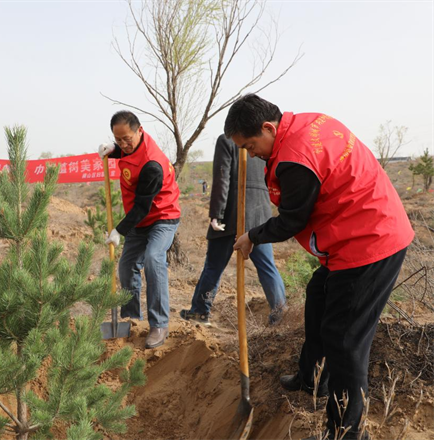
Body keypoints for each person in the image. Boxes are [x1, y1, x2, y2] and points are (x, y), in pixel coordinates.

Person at [226, 94, 413, 440]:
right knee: (318, 294)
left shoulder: (294, 158)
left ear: (268, 127)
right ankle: (312, 377)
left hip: (369, 241)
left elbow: (292, 221)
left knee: (344, 340)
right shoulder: (307, 124)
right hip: (355, 232)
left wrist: (252, 235)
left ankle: (346, 431)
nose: (251, 154)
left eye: (251, 146)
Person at [180, 134, 286, 327]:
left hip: (232, 214)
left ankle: (200, 311)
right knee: (267, 267)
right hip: (260, 214)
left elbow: (222, 178)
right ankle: (280, 316)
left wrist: (216, 214)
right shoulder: (262, 141)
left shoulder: (227, 140)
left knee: (213, 266)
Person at [98, 111, 181, 349]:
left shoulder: (152, 164)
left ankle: (159, 324)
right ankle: (131, 319)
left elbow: (143, 206)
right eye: (118, 139)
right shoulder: (126, 145)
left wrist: (118, 230)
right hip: (139, 219)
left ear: (140, 131)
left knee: (154, 258)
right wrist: (113, 150)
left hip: (162, 216)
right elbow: (123, 149)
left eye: (127, 139)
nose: (124, 144)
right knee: (126, 266)